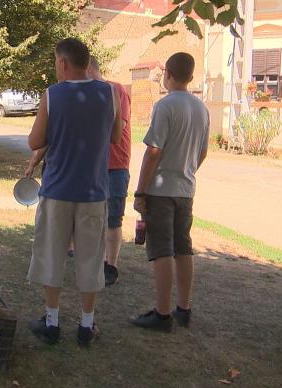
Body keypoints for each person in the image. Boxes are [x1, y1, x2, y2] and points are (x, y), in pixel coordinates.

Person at [26, 38, 122, 347]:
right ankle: (86, 324)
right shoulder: (110, 93)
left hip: (57, 190)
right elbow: (117, 136)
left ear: (64, 63)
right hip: (93, 191)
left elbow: (34, 141)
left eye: (56, 63)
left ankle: (52, 322)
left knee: (52, 254)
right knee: (91, 259)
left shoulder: (52, 95)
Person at [130, 52, 208, 332]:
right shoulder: (201, 108)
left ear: (168, 75)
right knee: (183, 247)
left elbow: (153, 151)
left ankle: (162, 314)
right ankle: (183, 308)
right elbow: (203, 152)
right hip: (186, 189)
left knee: (162, 249)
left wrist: (140, 191)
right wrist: (187, 171)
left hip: (161, 190)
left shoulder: (165, 106)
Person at [87, 56, 132, 286]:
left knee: (113, 217)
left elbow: (119, 127)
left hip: (116, 165)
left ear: (89, 69)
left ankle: (111, 265)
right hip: (93, 164)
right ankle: (96, 261)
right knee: (93, 216)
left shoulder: (117, 90)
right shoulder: (86, 94)